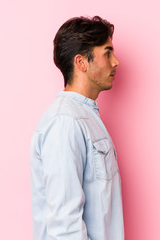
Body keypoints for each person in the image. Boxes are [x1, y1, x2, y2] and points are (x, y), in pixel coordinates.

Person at [30, 16, 124, 240]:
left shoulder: (84, 117)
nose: (116, 62)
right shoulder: (65, 121)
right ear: (81, 62)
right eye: (107, 53)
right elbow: (65, 225)